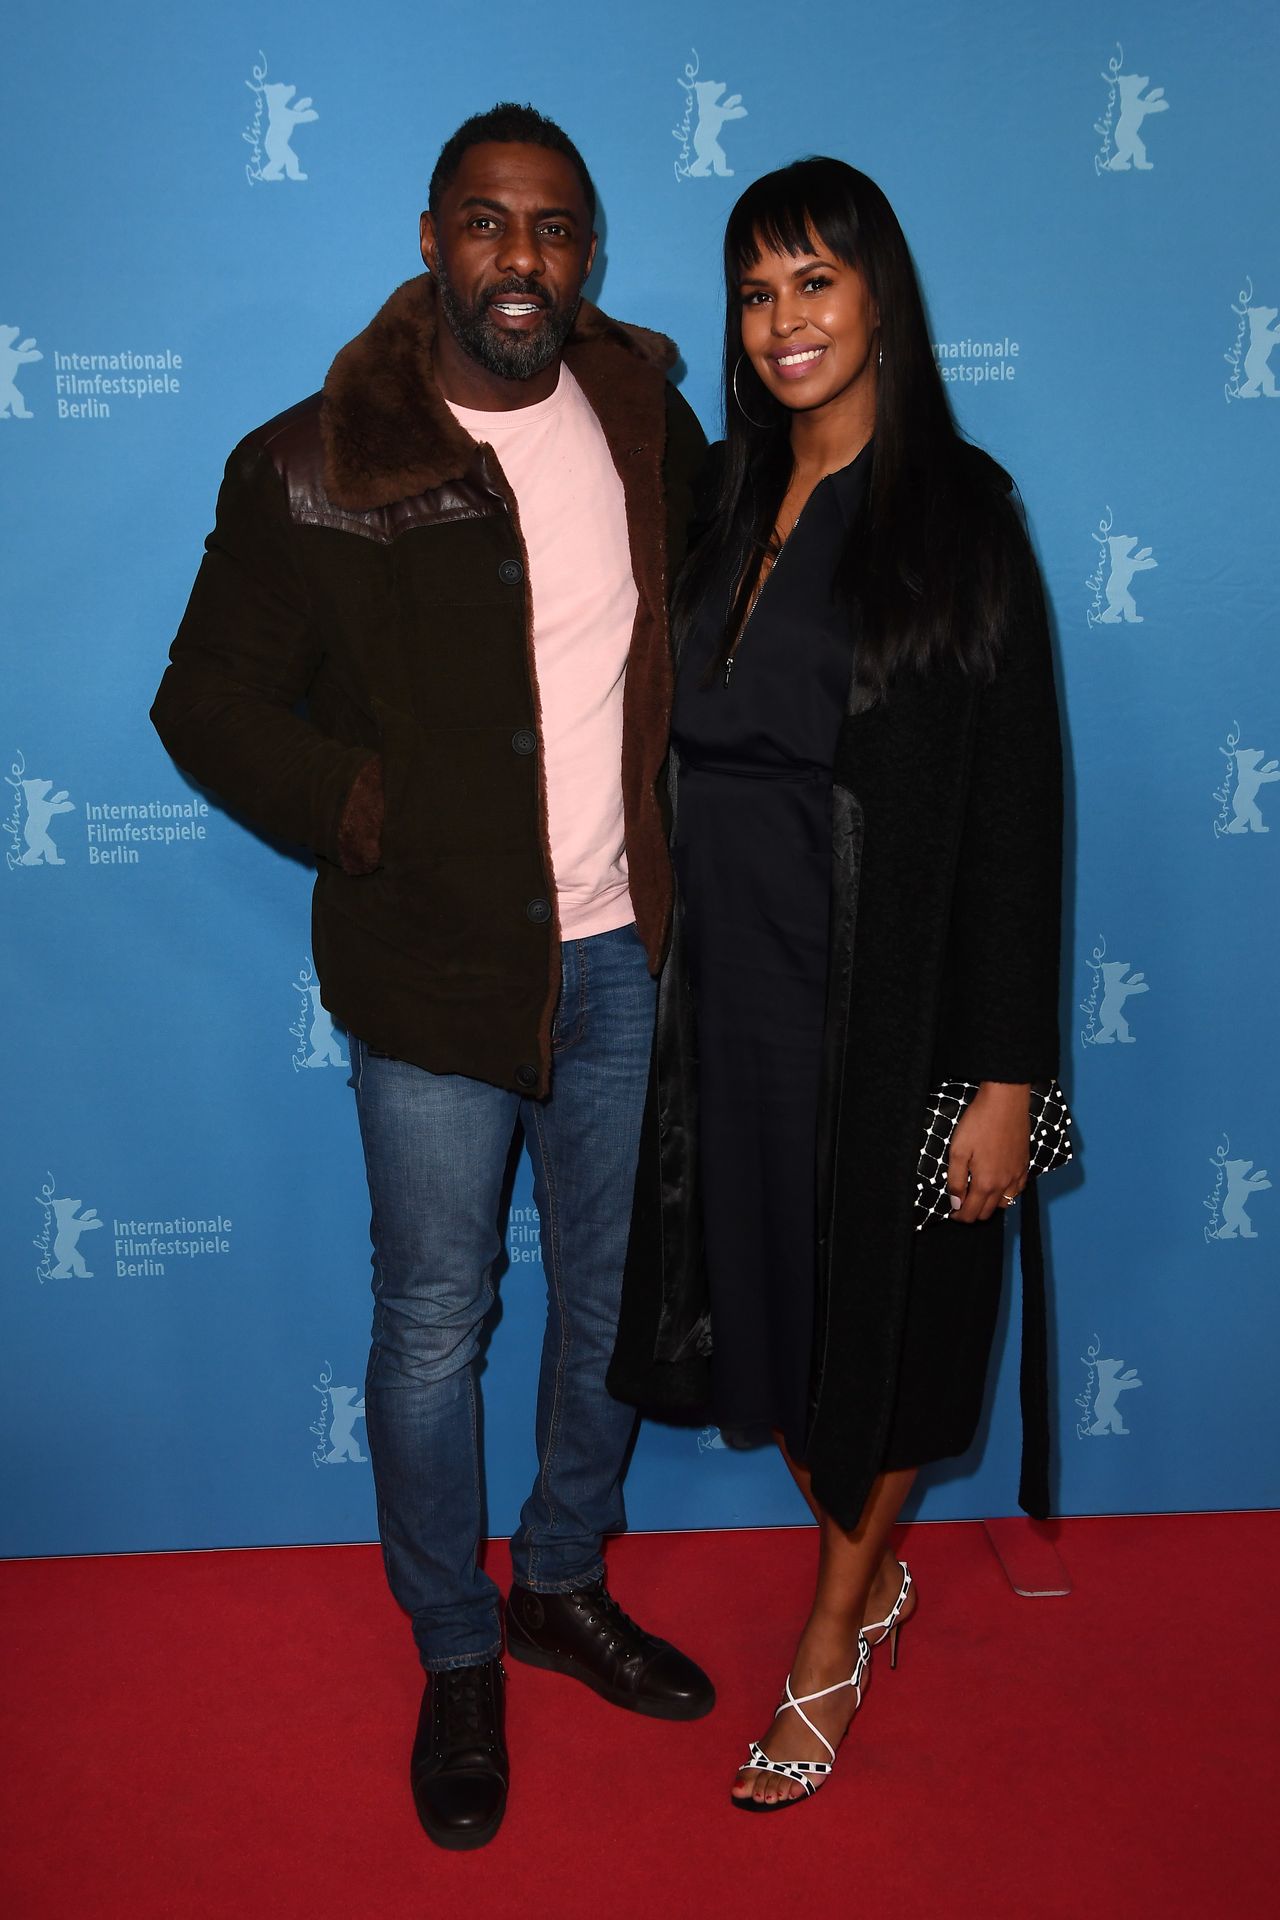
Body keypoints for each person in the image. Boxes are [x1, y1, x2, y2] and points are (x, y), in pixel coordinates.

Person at [152, 102, 714, 1852]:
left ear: (587, 254)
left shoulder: (642, 417)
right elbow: (205, 700)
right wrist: (363, 810)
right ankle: (455, 1645)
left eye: (555, 230)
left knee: (609, 1306)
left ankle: (557, 1582)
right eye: (488, 224)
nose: (522, 261)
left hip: (625, 953)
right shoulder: (315, 458)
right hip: (431, 975)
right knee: (432, 1328)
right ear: (429, 238)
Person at [609, 157, 1063, 1809]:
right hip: (724, 1007)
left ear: (879, 296)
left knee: (881, 1327)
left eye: (817, 280)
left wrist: (1009, 1073)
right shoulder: (724, 494)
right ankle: (870, 1562)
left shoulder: (959, 513)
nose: (786, 320)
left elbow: (1019, 808)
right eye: (756, 289)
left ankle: (829, 1633)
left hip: (888, 1014)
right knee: (781, 1319)